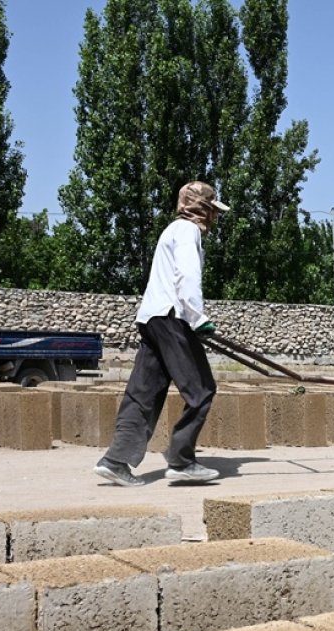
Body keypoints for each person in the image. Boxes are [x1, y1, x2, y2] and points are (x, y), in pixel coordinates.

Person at [93, 180, 228, 486]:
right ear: (202, 208)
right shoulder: (187, 231)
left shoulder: (171, 230)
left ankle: (116, 460)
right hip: (172, 317)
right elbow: (187, 276)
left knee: (144, 393)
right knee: (201, 389)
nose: (214, 218)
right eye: (213, 211)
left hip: (152, 318)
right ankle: (181, 461)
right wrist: (197, 318)